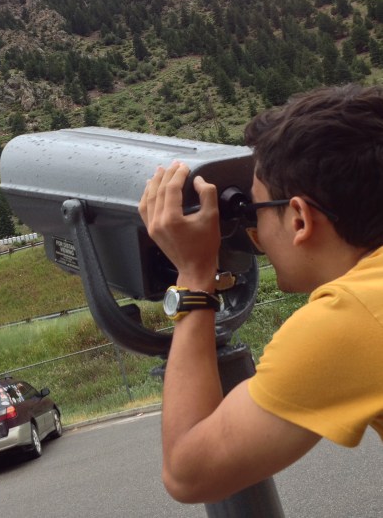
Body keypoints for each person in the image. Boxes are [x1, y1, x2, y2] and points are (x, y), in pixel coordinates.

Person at [138, 83, 383, 504]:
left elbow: (188, 473)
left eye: (253, 211)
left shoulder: (353, 317)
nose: (253, 233)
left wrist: (194, 275)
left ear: (299, 218)